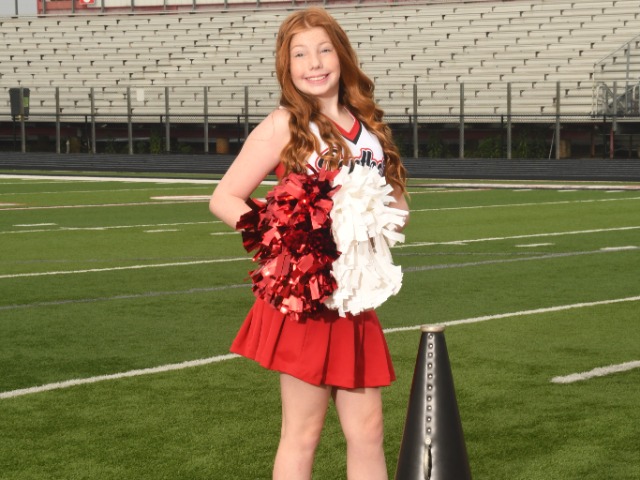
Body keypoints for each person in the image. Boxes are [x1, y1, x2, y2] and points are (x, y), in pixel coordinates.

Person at [209, 7, 409, 480]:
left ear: (342, 56)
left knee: (369, 430)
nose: (314, 63)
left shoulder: (370, 128)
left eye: (323, 50)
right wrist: (286, 242)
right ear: (287, 66)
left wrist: (376, 220)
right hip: (308, 297)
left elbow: (399, 206)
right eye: (300, 54)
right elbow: (224, 198)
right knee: (303, 432)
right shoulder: (283, 124)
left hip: (354, 297)